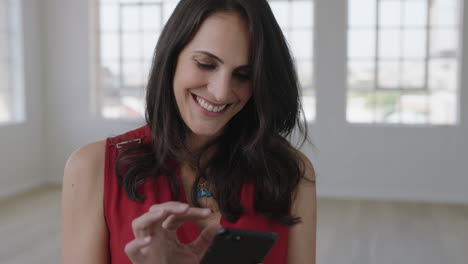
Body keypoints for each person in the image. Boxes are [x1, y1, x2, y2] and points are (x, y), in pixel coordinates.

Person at [62, 0, 316, 263]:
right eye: (206, 64)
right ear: (171, 58)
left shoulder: (290, 173)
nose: (220, 92)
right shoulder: (91, 168)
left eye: (243, 75)